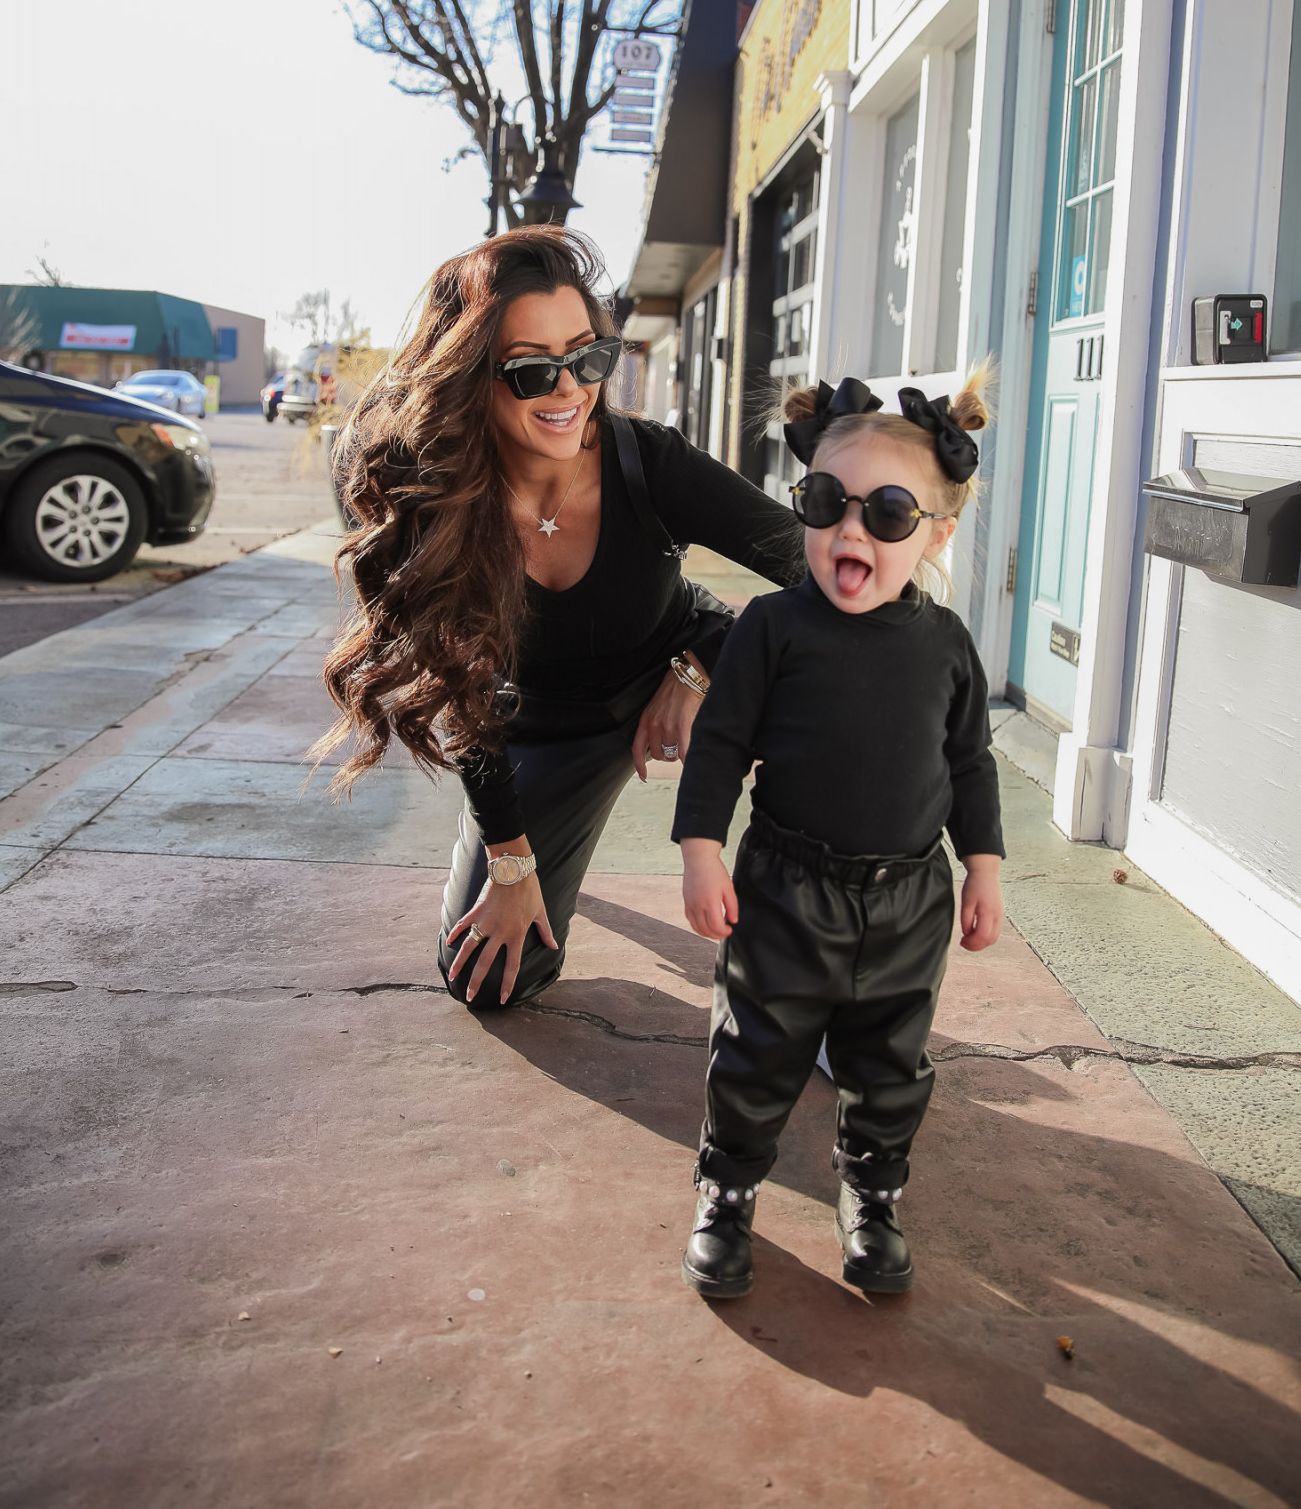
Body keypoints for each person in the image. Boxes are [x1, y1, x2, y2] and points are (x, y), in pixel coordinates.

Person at [319, 225, 805, 1011]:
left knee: (825, 674)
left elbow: (820, 571)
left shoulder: (649, 461)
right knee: (491, 981)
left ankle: (818, 956)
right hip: (530, 726)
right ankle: (534, 843)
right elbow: (459, 694)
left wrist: (701, 664)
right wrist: (510, 859)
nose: (570, 390)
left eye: (588, 358)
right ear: (470, 378)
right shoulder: (425, 496)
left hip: (663, 657)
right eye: (530, 371)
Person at [672, 371, 1005, 1300]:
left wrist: (982, 867)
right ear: (805, 509)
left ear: (936, 534)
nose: (850, 530)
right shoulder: (774, 627)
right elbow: (721, 746)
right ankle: (728, 1189)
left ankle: (872, 1194)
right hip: (785, 890)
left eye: (888, 513)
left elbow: (969, 763)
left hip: (908, 901)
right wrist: (701, 847)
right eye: (827, 503)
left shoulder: (944, 644)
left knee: (889, 1064)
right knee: (756, 1052)